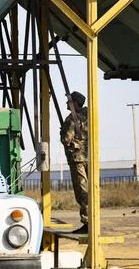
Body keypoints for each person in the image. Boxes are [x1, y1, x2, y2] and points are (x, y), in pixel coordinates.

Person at [60, 91, 89, 234]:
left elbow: (66, 139)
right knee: (90, 190)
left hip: (77, 159)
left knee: (82, 191)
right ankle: (92, 220)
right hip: (90, 157)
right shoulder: (90, 115)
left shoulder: (72, 118)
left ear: (75, 103)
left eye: (69, 101)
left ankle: (87, 222)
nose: (67, 103)